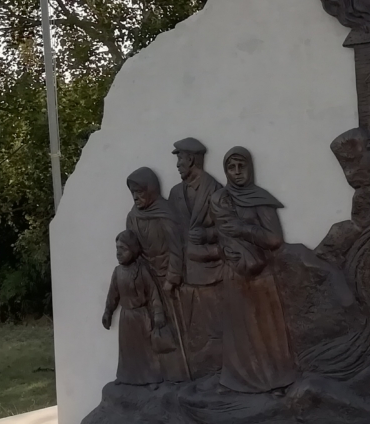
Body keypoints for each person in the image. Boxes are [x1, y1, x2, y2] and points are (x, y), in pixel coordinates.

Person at [210, 146, 299, 394]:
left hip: (261, 273)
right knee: (239, 330)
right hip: (234, 271)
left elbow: (274, 239)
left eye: (242, 166)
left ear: (250, 168)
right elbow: (215, 232)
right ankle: (238, 381)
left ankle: (275, 381)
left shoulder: (260, 199)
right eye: (231, 167)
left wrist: (242, 229)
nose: (237, 171)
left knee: (265, 328)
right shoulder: (220, 199)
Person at [124, 167, 191, 381]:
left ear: (151, 190)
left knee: (176, 327)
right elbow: (132, 249)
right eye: (133, 193)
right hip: (147, 279)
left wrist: (172, 278)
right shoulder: (133, 217)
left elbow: (176, 248)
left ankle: (183, 375)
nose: (136, 197)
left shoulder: (166, 213)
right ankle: (158, 375)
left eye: (140, 192)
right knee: (153, 327)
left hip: (167, 279)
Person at [166, 137, 226, 376]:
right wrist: (173, 276)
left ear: (191, 159)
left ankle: (222, 374)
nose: (177, 164)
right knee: (193, 330)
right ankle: (201, 376)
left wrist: (207, 235)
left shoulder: (216, 190)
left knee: (217, 328)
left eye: (180, 158)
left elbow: (227, 230)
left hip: (212, 273)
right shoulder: (175, 194)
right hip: (186, 275)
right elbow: (173, 238)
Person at [102, 230, 167, 386]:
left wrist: (158, 313)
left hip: (141, 316)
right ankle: (126, 377)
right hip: (126, 318)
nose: (118, 253)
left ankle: (151, 379)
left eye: (123, 249)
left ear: (133, 250)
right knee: (127, 350)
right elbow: (112, 295)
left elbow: (153, 293)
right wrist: (107, 312)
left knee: (145, 349)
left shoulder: (142, 270)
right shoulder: (117, 272)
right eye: (117, 248)